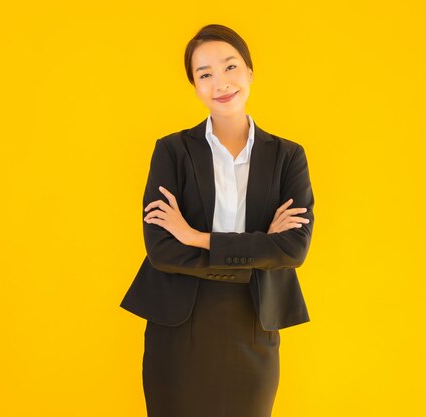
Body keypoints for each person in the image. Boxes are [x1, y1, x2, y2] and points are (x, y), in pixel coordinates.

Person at [120, 24, 315, 417]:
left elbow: (293, 249)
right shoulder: (172, 151)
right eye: (204, 74)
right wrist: (258, 247)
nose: (220, 82)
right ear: (194, 86)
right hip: (178, 330)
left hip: (253, 326)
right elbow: (161, 250)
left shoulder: (287, 156)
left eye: (230, 67)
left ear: (250, 72)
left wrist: (195, 236)